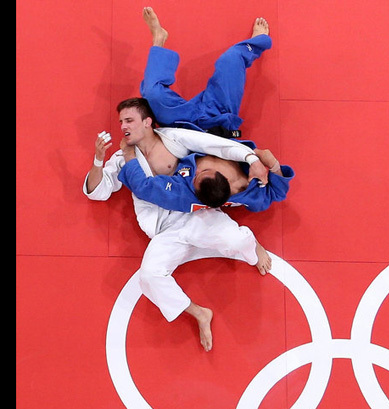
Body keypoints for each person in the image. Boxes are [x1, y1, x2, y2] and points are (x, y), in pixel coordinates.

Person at [84, 12, 281, 352]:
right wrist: (99, 159)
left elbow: (211, 145)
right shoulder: (123, 157)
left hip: (205, 159)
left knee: (240, 243)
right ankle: (199, 313)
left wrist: (251, 158)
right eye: (121, 122)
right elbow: (98, 191)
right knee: (149, 276)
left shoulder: (171, 136)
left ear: (148, 122)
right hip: (167, 229)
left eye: (128, 121)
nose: (123, 128)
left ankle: (254, 249)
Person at [117, 7, 294, 213]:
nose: (197, 170)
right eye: (205, 170)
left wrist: (129, 154)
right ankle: (257, 42)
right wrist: (272, 165)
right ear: (226, 179)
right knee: (231, 60)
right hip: (219, 118)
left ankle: (159, 39)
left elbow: (144, 188)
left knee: (152, 94)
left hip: (181, 125)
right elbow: (278, 193)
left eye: (196, 175)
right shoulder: (248, 189)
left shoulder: (184, 194)